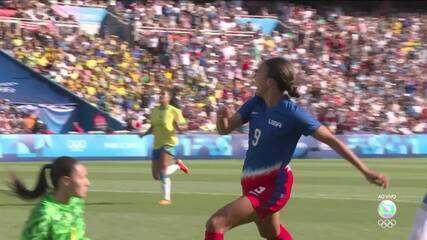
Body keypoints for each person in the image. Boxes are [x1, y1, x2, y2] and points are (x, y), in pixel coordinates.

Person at [204, 57, 389, 240]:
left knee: (216, 224)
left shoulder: (293, 114)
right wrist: (222, 118)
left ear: (270, 82)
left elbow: (332, 140)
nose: (254, 76)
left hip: (273, 186)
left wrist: (365, 171)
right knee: (270, 233)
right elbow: (224, 129)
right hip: (251, 182)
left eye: (258, 72)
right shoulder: (255, 103)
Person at [7, 156, 91, 240]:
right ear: (66, 181)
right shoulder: (45, 213)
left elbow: (76, 235)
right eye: (81, 178)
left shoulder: (76, 202)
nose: (88, 183)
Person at [139, 89, 190, 205]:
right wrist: (144, 134)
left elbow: (184, 126)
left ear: (169, 98)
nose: (161, 96)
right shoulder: (154, 110)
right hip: (157, 143)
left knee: (163, 169)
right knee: (156, 176)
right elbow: (153, 127)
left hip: (169, 142)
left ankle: (167, 198)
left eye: (163, 94)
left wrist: (179, 128)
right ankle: (177, 165)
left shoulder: (174, 111)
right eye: (160, 94)